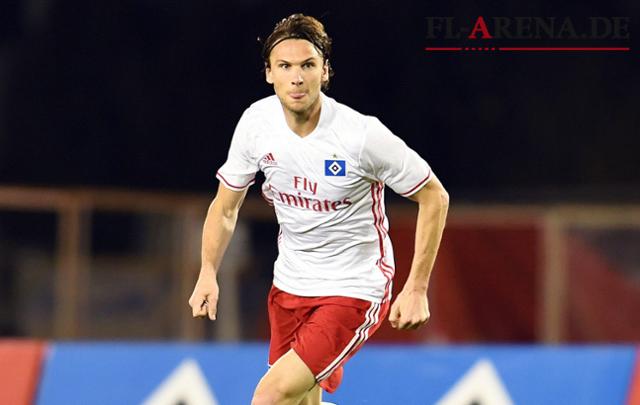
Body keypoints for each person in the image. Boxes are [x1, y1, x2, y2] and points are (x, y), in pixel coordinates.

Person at [188, 13, 449, 405]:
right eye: (285, 66)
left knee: (270, 396)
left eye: (307, 65)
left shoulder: (360, 136)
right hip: (290, 286)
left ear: (325, 71)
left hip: (353, 288)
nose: (297, 78)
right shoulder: (256, 125)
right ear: (269, 74)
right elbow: (225, 207)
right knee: (298, 402)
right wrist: (208, 271)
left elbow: (434, 196)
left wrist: (416, 287)